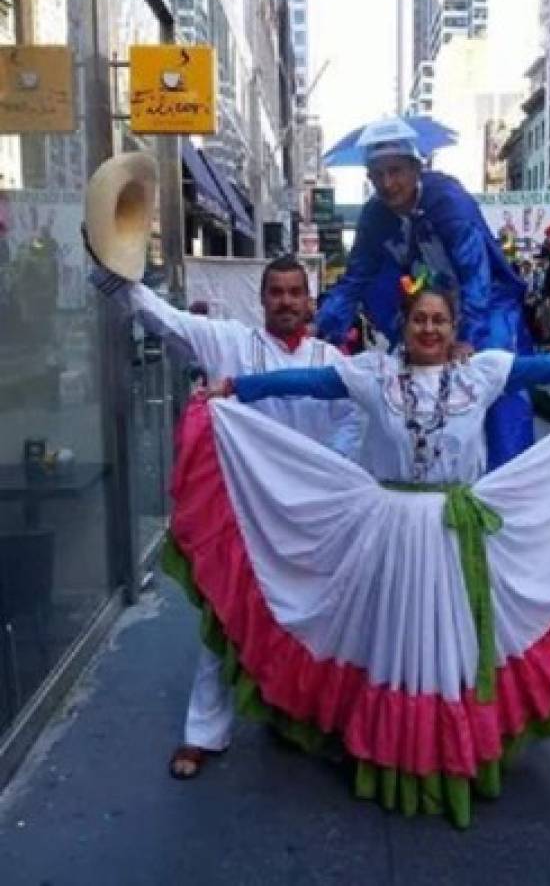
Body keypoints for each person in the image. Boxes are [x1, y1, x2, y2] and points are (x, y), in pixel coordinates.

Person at [165, 282, 550, 828]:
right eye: (419, 320)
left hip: (453, 536)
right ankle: (390, 754)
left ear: (454, 328)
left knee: (449, 648)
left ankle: (450, 757)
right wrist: (235, 388)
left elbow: (541, 367)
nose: (429, 330)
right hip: (390, 530)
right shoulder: (373, 374)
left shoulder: (481, 374)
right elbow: (308, 382)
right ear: (403, 326)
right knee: (392, 642)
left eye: (439, 321)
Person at [89, 253, 364, 780]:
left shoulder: (333, 360)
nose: (285, 302)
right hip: (245, 518)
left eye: (294, 292)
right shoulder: (232, 343)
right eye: (276, 292)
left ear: (311, 301)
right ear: (261, 300)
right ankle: (203, 734)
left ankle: (304, 719)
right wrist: (108, 264)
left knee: (313, 625)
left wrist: (325, 471)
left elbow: (355, 419)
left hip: (310, 522)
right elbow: (159, 317)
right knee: (224, 622)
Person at [313, 132, 534, 470]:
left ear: (417, 169)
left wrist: (467, 339)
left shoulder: (450, 203)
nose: (388, 184)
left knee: (498, 387)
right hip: (427, 308)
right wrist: (320, 329)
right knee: (402, 392)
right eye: (378, 175)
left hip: (486, 307)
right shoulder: (374, 215)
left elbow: (477, 277)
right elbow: (356, 277)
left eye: (396, 170)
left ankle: (508, 487)